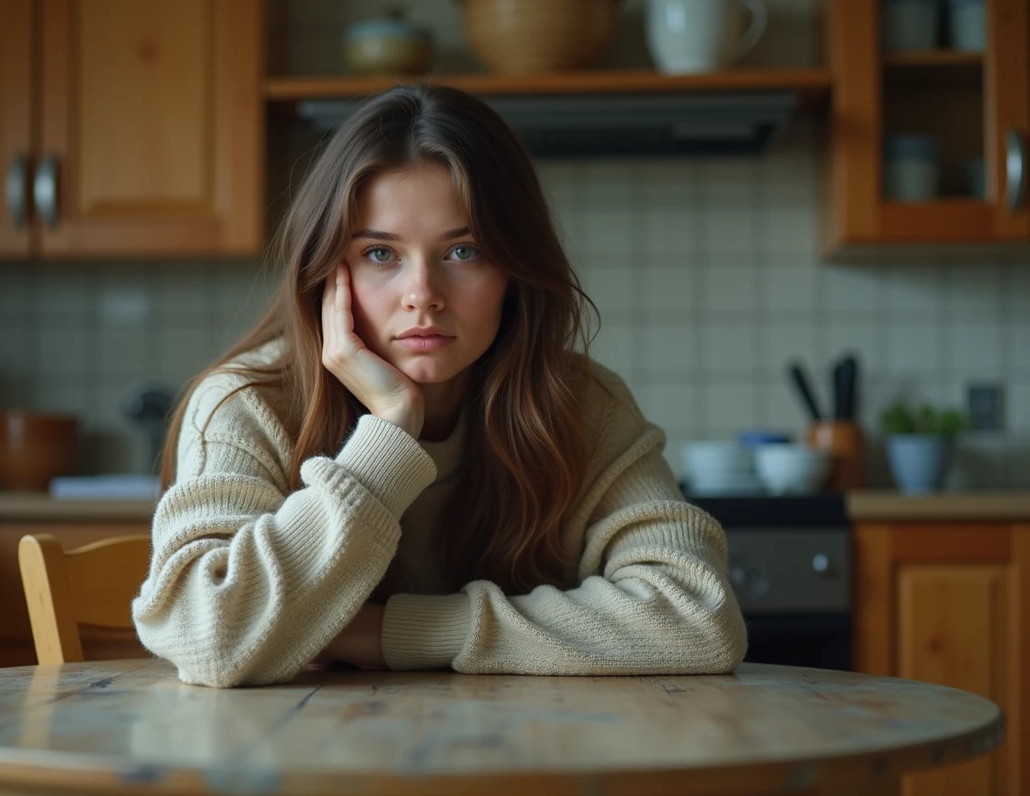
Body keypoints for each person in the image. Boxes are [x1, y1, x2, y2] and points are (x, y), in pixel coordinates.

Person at [131, 84, 747, 688]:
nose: (422, 293)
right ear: (325, 270)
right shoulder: (248, 404)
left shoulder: (582, 405)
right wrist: (390, 432)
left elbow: (699, 617)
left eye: (464, 251)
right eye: (380, 254)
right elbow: (206, 634)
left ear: (514, 270)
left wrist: (386, 634)